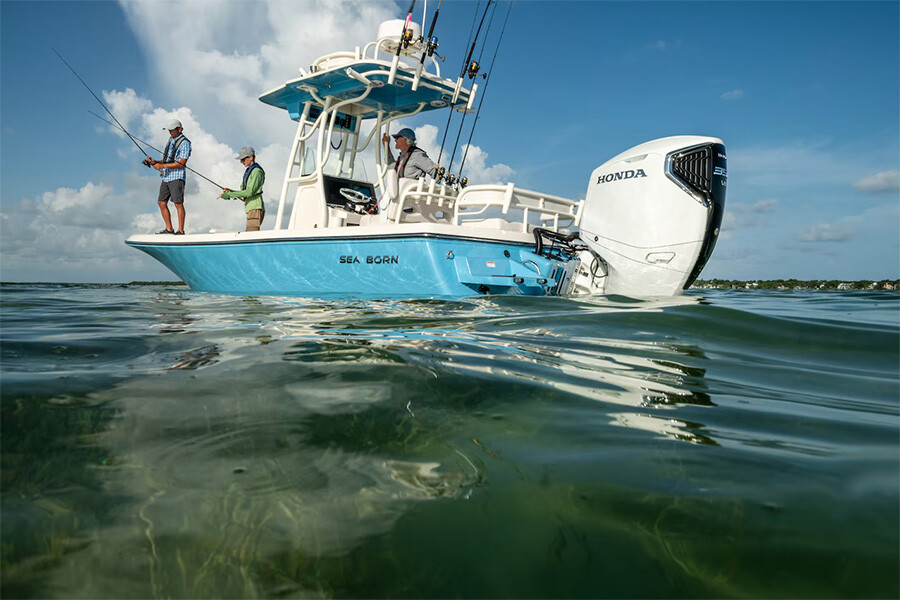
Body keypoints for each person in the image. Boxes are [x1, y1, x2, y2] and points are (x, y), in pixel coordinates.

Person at [144, 119, 191, 234]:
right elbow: (167, 160)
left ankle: (181, 230)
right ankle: (169, 229)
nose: (170, 132)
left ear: (179, 129)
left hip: (177, 177)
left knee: (178, 203)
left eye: (172, 130)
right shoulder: (170, 140)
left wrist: (162, 166)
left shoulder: (185, 143)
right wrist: (155, 162)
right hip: (166, 177)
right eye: (169, 130)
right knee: (161, 202)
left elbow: (181, 163)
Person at [218, 146, 265, 232]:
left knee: (250, 236)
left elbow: (249, 192)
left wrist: (229, 195)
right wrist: (231, 191)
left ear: (251, 157)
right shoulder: (249, 171)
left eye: (243, 159)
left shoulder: (257, 171)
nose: (241, 162)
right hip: (251, 208)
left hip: (255, 208)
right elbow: (244, 192)